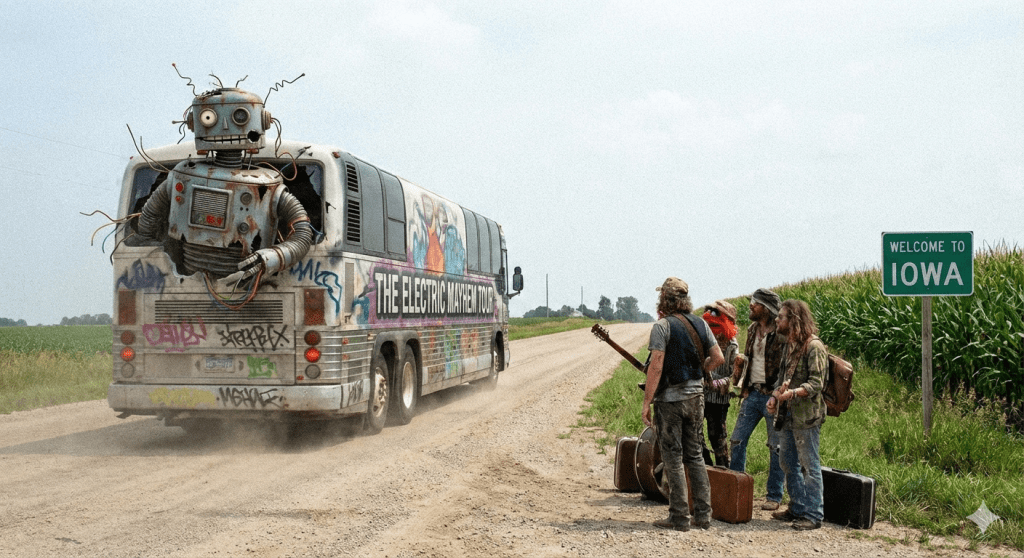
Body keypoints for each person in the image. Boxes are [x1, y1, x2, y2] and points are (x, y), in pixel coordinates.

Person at [642, 277, 724, 532]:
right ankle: (703, 515)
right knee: (696, 456)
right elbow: (718, 357)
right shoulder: (700, 323)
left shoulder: (662, 326)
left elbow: (656, 365)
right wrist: (700, 371)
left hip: (670, 401)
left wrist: (647, 401)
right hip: (696, 399)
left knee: (674, 458)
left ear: (663, 300)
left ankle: (679, 517)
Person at [766, 299, 827, 531]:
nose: (777, 320)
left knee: (809, 467)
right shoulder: (789, 345)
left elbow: (817, 383)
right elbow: (781, 380)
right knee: (787, 462)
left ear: (793, 320)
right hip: (788, 416)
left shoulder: (814, 347)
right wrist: (774, 397)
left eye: (781, 317)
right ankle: (798, 507)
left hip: (806, 417)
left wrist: (792, 394)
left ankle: (813, 515)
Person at [728, 288, 787, 511]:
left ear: (767, 309)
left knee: (776, 446)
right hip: (753, 394)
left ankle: (774, 495)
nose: (751, 305)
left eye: (755, 303)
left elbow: (786, 367)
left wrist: (779, 394)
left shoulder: (781, 333)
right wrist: (743, 388)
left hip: (774, 396)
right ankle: (736, 488)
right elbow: (747, 359)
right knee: (737, 440)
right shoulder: (752, 329)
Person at [700, 300, 739, 468]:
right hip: (699, 396)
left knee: (717, 436)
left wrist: (714, 383)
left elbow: (734, 377)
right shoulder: (702, 340)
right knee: (695, 434)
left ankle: (723, 470)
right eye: (709, 312)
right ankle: (705, 467)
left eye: (716, 313)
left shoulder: (732, 346)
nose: (711, 316)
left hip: (719, 401)